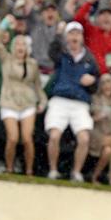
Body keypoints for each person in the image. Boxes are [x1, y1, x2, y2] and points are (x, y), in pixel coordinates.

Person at [0, 16, 47, 175]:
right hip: (9, 101)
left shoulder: (32, 64)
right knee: (13, 138)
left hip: (27, 102)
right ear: (12, 46)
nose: (20, 47)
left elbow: (37, 86)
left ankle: (28, 171)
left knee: (27, 138)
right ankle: (9, 168)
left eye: (23, 44)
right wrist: (4, 25)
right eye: (17, 44)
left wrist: (42, 101)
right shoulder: (6, 59)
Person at [45, 21, 99, 181]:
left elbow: (95, 83)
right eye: (71, 33)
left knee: (84, 138)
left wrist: (92, 82)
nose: (74, 37)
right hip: (59, 101)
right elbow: (51, 50)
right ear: (66, 37)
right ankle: (53, 170)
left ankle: (76, 172)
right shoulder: (61, 55)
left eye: (77, 34)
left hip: (80, 104)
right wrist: (58, 33)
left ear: (82, 37)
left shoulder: (90, 59)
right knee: (54, 136)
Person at [89, 73, 111, 186]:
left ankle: (94, 177)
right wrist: (103, 113)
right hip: (96, 133)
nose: (107, 85)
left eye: (109, 82)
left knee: (108, 151)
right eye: (104, 82)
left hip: (109, 135)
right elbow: (91, 119)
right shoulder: (95, 98)